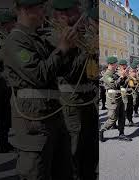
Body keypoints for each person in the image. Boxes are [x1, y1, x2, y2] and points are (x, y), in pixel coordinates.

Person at [1, 0, 76, 179]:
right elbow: (38, 75)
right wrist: (61, 49)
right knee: (36, 172)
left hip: (51, 113)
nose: (45, 12)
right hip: (33, 119)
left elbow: (61, 72)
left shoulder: (37, 37)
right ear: (26, 10)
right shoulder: (16, 39)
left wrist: (70, 48)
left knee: (63, 170)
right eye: (41, 8)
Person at [49, 1, 97, 179]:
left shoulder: (81, 34)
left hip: (87, 97)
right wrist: (88, 49)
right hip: (71, 100)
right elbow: (69, 72)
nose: (79, 15)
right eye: (75, 11)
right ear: (62, 15)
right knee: (75, 147)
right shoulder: (56, 37)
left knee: (90, 147)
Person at [0, 11, 17, 153]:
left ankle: (3, 142)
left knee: (4, 113)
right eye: (12, 22)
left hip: (5, 80)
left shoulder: (5, 35)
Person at [99, 56, 132, 142]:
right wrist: (121, 76)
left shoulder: (114, 73)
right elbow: (113, 85)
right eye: (116, 63)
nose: (117, 65)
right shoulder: (107, 74)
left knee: (122, 116)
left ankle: (121, 133)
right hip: (112, 99)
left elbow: (122, 85)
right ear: (111, 64)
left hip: (119, 97)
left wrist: (126, 76)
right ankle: (101, 130)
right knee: (112, 119)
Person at [118, 59, 138, 127]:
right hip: (123, 93)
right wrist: (126, 76)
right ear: (120, 66)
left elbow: (132, 82)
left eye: (126, 65)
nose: (125, 66)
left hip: (129, 92)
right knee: (124, 109)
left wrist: (129, 76)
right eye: (124, 65)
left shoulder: (127, 72)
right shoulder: (118, 73)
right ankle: (119, 124)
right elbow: (121, 84)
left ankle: (130, 121)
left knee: (130, 108)